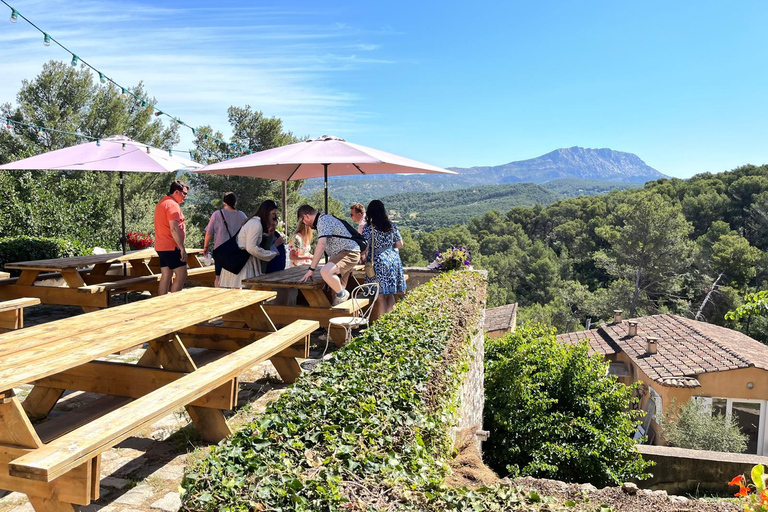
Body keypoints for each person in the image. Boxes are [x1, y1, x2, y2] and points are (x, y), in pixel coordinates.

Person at [298, 204, 360, 305]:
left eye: (303, 221)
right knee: (335, 291)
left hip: (348, 253)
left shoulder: (322, 221)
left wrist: (311, 270)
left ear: (306, 216)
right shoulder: (324, 219)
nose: (304, 224)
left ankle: (343, 294)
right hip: (343, 254)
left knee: (326, 272)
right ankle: (339, 307)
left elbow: (321, 246)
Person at [219, 200, 280, 289]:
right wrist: (270, 254)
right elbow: (251, 247)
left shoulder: (254, 222)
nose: (274, 216)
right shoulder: (256, 224)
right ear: (266, 213)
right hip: (243, 262)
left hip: (243, 260)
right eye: (273, 213)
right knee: (244, 292)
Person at [361, 199, 406, 321]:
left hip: (378, 262)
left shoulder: (368, 228)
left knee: (380, 297)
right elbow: (400, 243)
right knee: (390, 293)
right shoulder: (391, 225)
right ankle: (391, 324)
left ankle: (382, 326)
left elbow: (364, 246)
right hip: (393, 260)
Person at [203, 192, 248, 287]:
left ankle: (219, 297)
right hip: (236, 250)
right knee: (236, 276)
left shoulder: (217, 214)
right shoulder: (242, 215)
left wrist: (205, 246)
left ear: (224, 202)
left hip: (220, 251)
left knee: (218, 277)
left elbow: (209, 233)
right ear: (235, 202)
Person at [154, 180, 189, 295]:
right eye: (184, 193)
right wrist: (182, 248)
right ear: (176, 192)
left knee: (166, 275)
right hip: (171, 246)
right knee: (182, 274)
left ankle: (161, 303)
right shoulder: (173, 205)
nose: (185, 196)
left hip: (161, 246)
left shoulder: (162, 203)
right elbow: (174, 228)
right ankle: (174, 304)